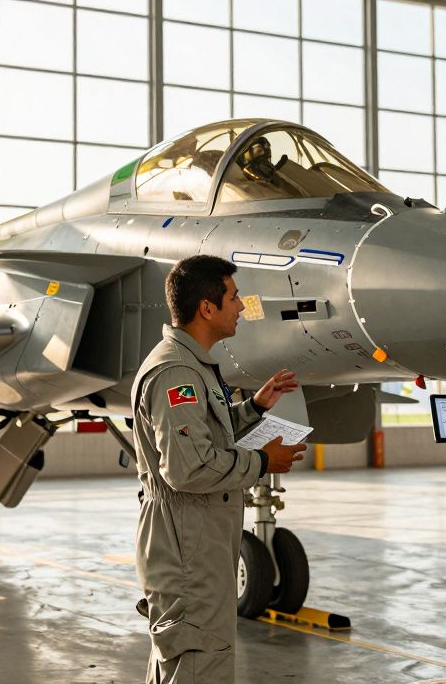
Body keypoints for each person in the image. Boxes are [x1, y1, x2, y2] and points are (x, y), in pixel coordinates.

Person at [131, 254, 306, 684]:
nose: (242, 307)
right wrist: (265, 461)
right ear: (207, 308)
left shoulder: (191, 365)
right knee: (198, 660)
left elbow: (205, 434)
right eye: (232, 297)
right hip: (187, 541)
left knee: (190, 660)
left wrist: (255, 407)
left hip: (196, 536)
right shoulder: (176, 373)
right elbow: (188, 469)